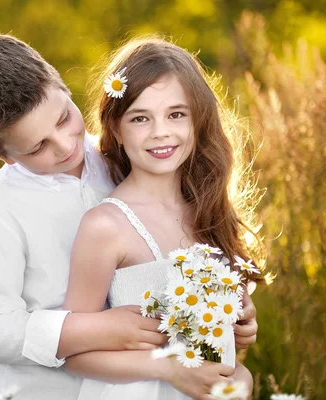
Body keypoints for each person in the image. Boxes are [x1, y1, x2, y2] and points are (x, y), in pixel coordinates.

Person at [0, 33, 259, 400]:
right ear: (1, 153)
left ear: (63, 87)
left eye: (64, 119)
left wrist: (227, 314)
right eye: (38, 146)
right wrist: (95, 329)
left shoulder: (125, 156)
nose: (66, 145)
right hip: (43, 391)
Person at [62, 37, 261, 400]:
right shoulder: (106, 226)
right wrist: (166, 367)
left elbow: (213, 345)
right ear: (117, 130)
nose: (161, 132)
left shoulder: (209, 209)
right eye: (141, 118)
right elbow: (72, 354)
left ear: (198, 121)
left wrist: (239, 350)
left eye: (176, 114)